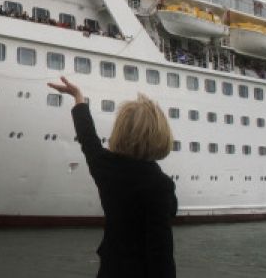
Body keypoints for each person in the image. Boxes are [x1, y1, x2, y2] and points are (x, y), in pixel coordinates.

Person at [48, 76, 177, 278]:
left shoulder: (105, 166)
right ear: (161, 135)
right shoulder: (160, 185)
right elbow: (160, 252)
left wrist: (78, 98)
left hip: (110, 269)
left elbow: (88, 138)